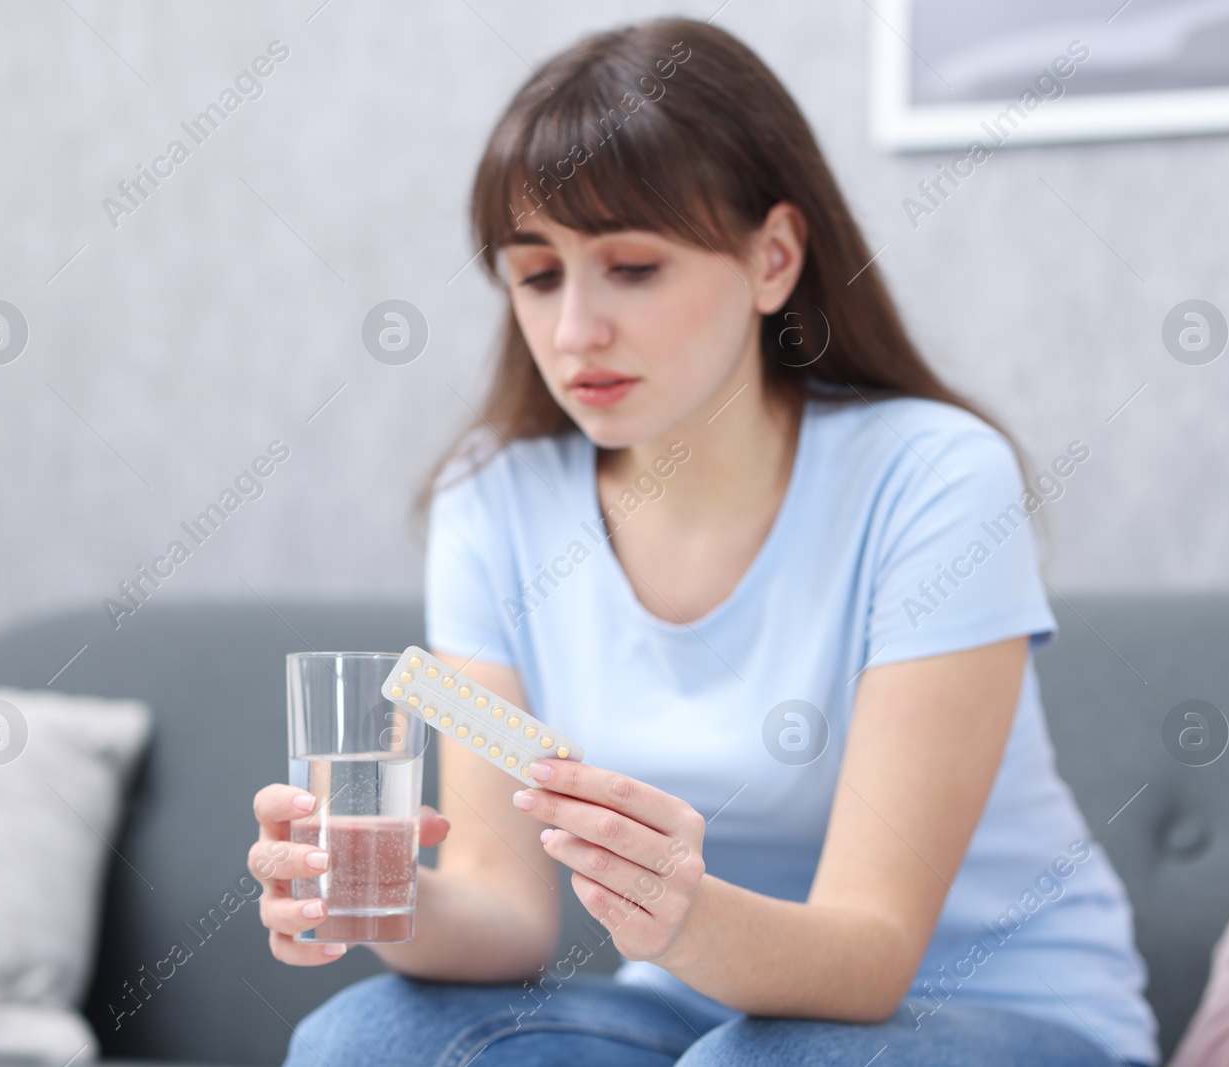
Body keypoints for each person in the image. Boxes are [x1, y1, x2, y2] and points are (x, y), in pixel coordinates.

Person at [248, 15, 1160, 1067]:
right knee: (361, 1038)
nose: (574, 328)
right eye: (537, 275)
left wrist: (679, 912)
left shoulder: (934, 478)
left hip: (998, 1016)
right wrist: (384, 897)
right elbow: (508, 917)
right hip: (698, 1013)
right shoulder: (493, 501)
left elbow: (869, 958)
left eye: (630, 266)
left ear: (772, 258)